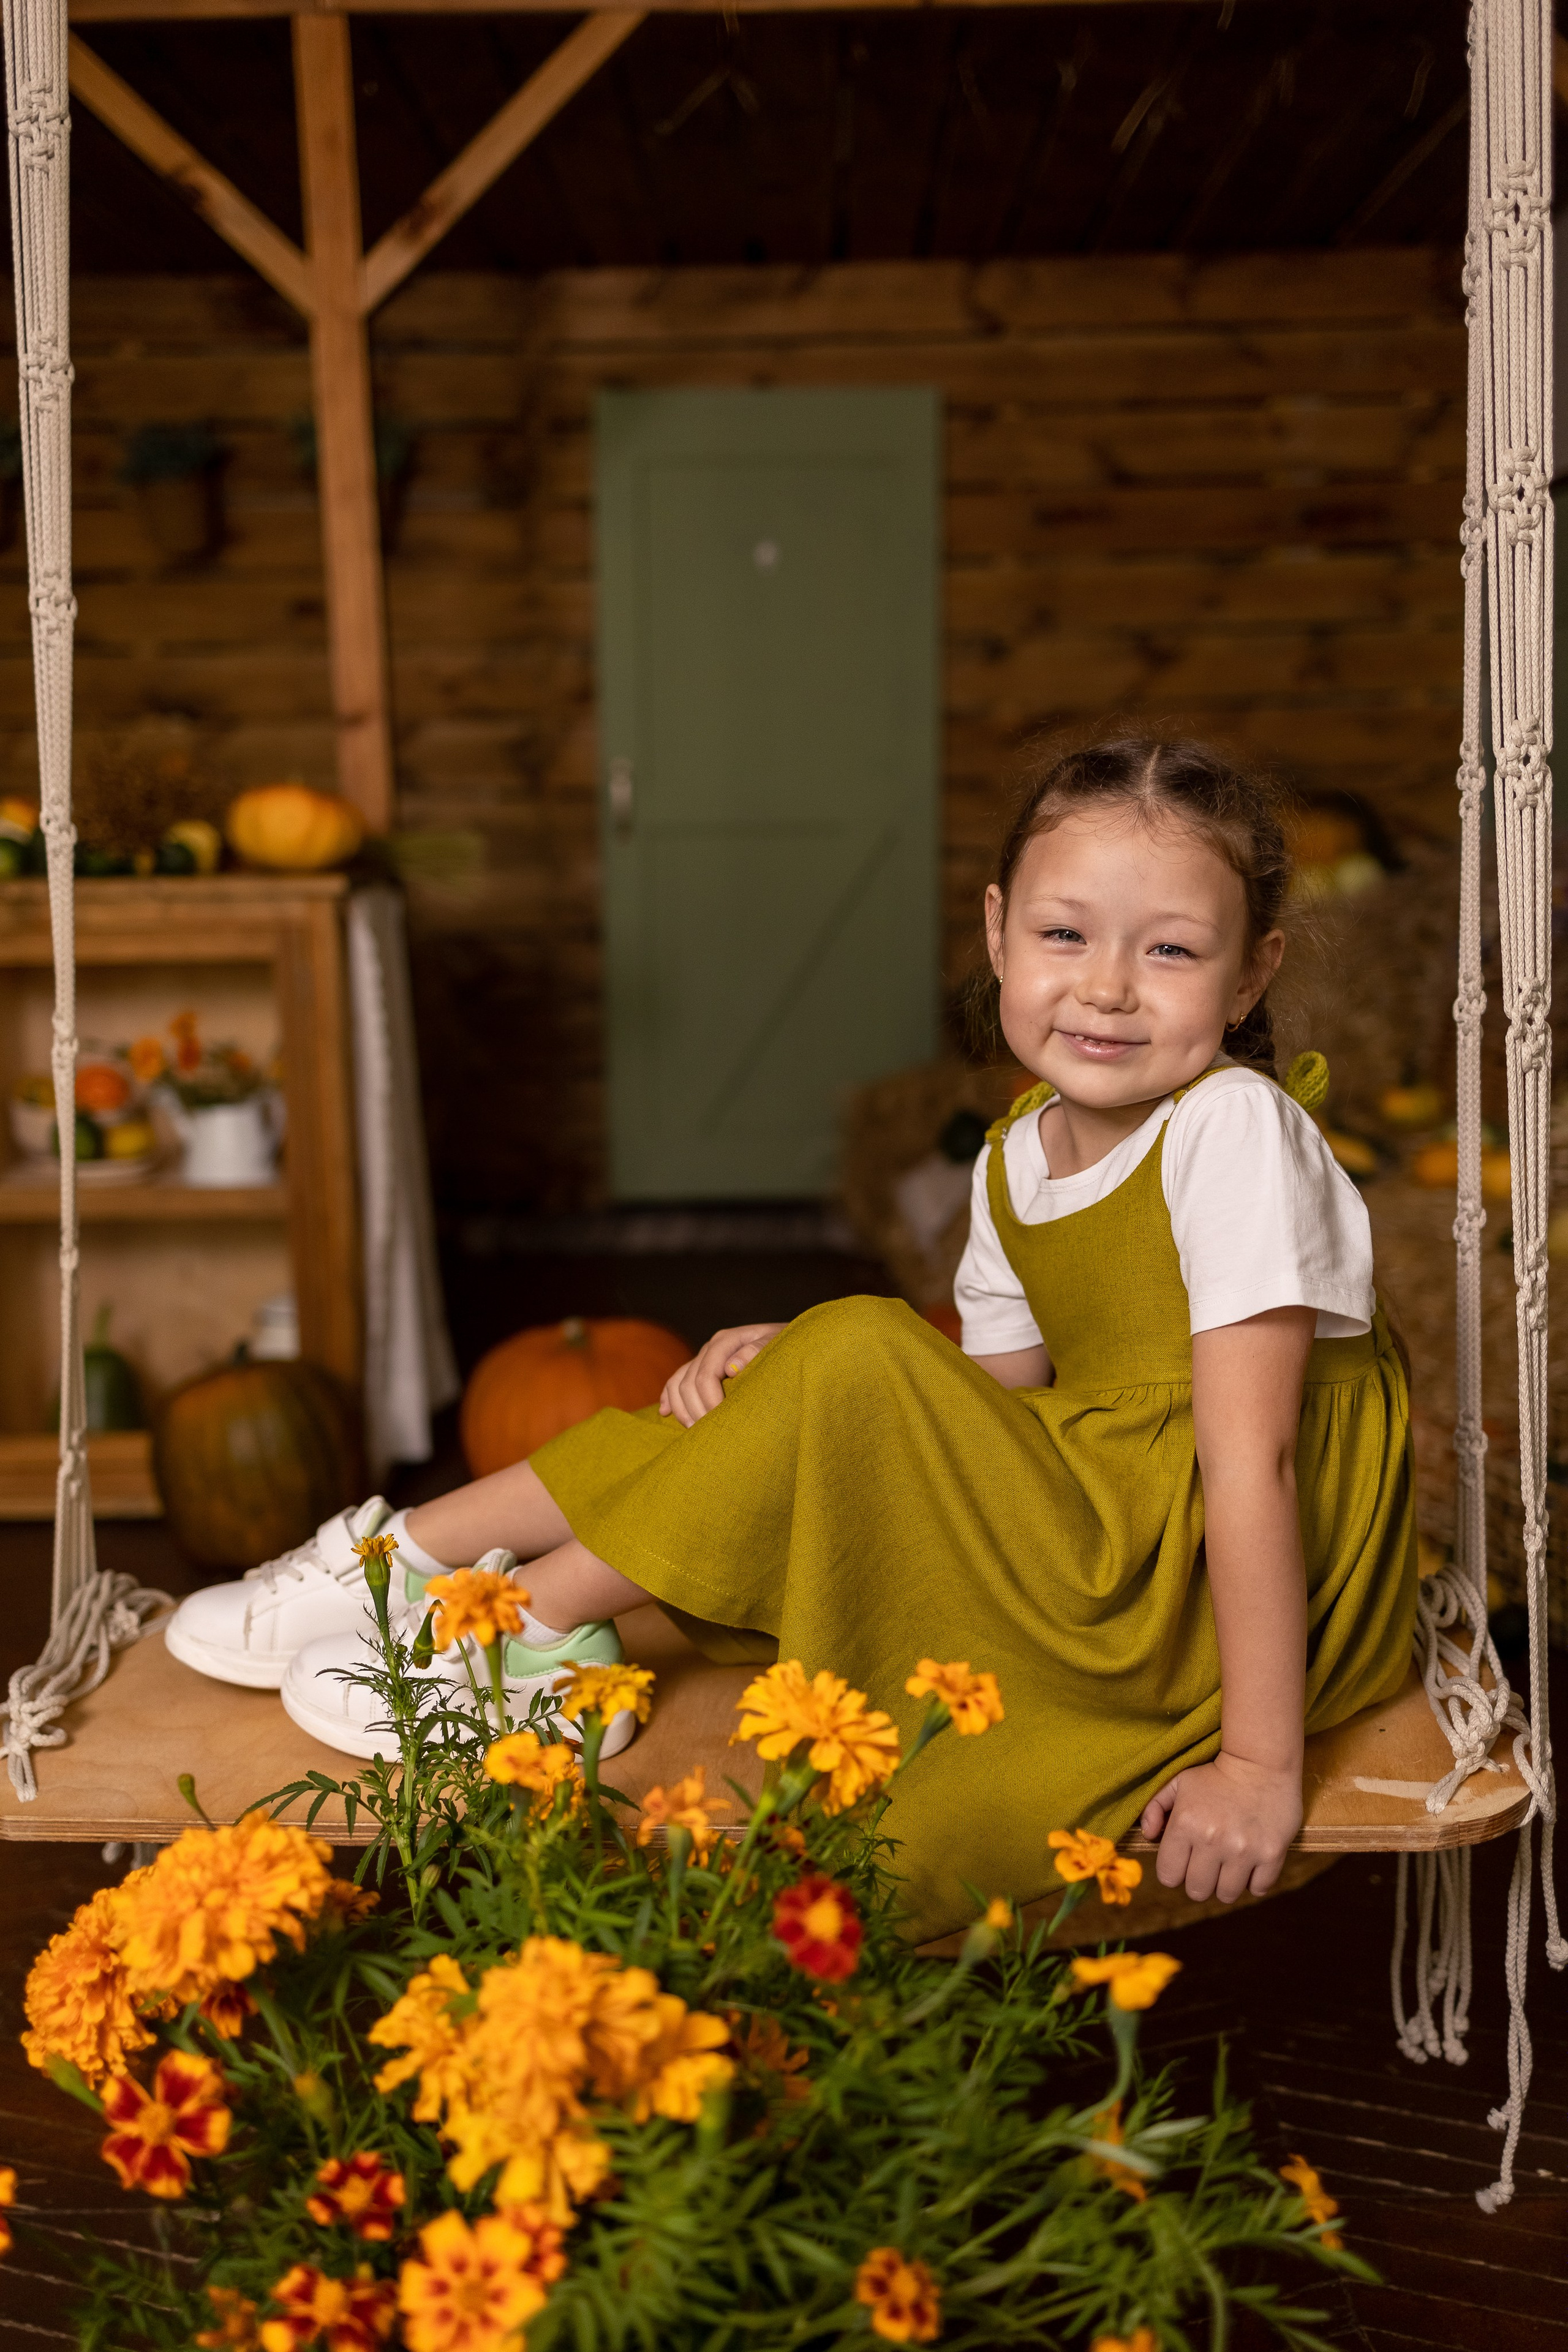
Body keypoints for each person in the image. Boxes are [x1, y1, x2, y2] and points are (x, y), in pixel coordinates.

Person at [164, 735, 1417, 1942]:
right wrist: (801, 1382)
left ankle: (514, 1640)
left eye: (1171, 952)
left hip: (1208, 1571)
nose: (1103, 986)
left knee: (854, 1347)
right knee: (797, 1368)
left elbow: (1250, 1462)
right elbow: (981, 1410)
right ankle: (400, 1565)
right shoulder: (1010, 1157)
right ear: (994, 933)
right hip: (1107, 1515)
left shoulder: (1232, 1131)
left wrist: (1258, 1762)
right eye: (1062, 934)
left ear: (1249, 975)